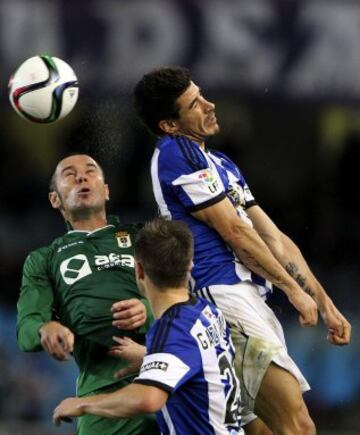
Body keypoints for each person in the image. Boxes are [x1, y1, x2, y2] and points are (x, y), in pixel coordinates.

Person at [133, 67, 352, 434]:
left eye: (202, 94)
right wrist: (291, 290)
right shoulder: (175, 153)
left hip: (248, 299)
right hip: (221, 299)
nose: (209, 104)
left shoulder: (221, 164)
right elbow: (234, 231)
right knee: (298, 427)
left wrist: (325, 303)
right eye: (194, 103)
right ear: (170, 125)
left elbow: (273, 236)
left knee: (265, 431)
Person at [53, 218, 244, 434]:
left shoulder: (173, 329)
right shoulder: (206, 311)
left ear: (140, 270)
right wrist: (150, 358)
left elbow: (148, 399)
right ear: (190, 264)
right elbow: (204, 362)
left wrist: (82, 404)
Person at [16, 153, 160, 435]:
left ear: (106, 190)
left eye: (90, 171)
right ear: (55, 199)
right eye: (69, 174)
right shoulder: (44, 259)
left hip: (165, 379)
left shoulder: (145, 237)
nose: (81, 177)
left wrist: (149, 310)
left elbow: (187, 298)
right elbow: (26, 329)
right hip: (102, 395)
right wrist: (47, 327)